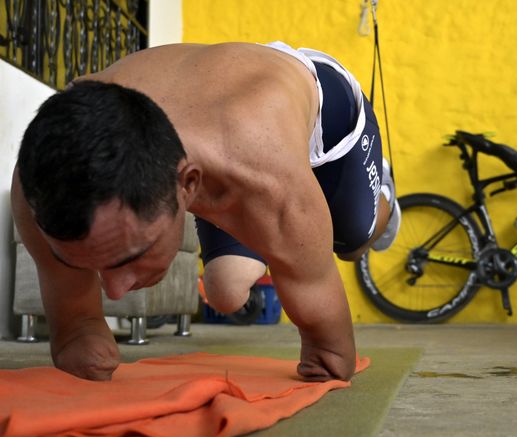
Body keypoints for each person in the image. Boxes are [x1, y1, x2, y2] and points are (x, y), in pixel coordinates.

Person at [11, 41, 400, 382]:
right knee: (226, 292)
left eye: (131, 256)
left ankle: (384, 194)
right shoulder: (39, 183)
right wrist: (80, 337)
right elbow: (76, 331)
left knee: (350, 241)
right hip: (209, 122)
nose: (113, 289)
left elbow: (332, 355)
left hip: (325, 116)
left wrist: (325, 362)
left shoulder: (264, 177)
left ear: (189, 186)